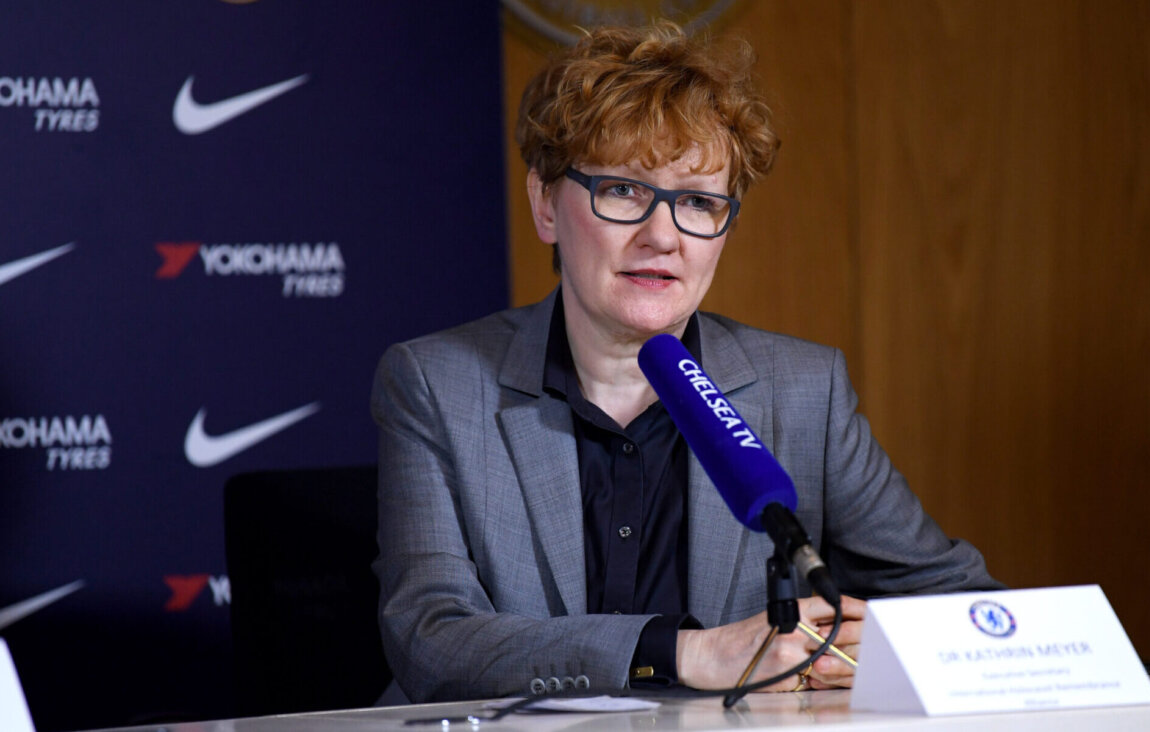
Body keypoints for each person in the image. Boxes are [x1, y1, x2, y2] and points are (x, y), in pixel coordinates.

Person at [370, 20, 1000, 704]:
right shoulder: (436, 384)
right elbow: (431, 638)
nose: (663, 235)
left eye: (699, 202)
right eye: (624, 192)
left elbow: (964, 605)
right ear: (546, 203)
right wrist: (687, 652)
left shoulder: (803, 393)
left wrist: (878, 642)